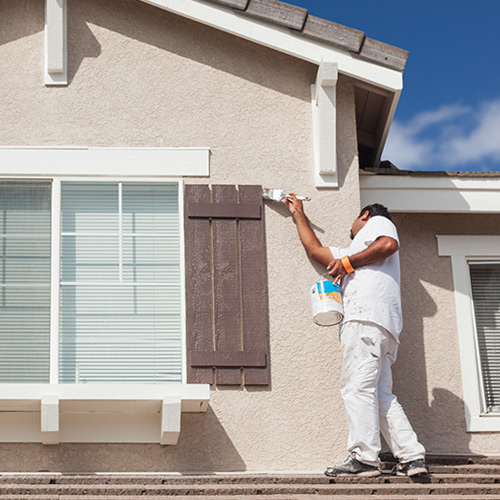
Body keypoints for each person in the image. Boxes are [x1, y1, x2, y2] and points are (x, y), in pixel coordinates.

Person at [285, 196, 427, 478]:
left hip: (365, 321)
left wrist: (348, 262)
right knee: (381, 394)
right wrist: (298, 214)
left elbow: (388, 245)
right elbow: (315, 250)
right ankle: (412, 457)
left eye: (355, 225)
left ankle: (364, 458)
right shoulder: (353, 251)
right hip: (383, 327)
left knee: (356, 388)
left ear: (364, 217)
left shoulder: (378, 222)